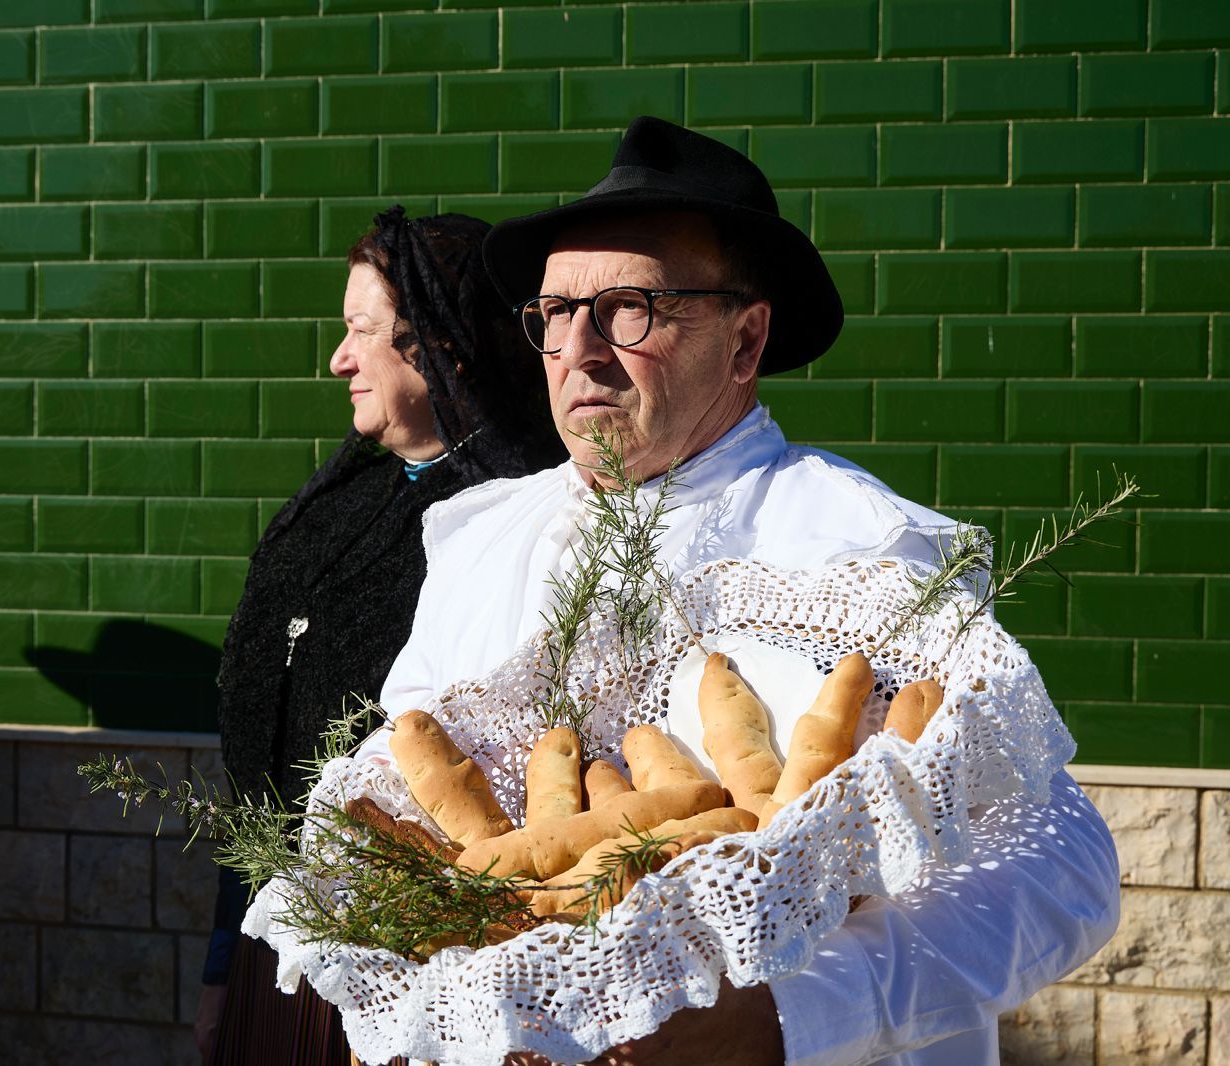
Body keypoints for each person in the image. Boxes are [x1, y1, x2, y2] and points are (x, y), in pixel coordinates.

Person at [365, 117, 1120, 1064]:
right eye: (555, 314)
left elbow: (1062, 871)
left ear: (745, 339)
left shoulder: (860, 548)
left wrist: (780, 1022)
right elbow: (397, 795)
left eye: (630, 308)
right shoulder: (483, 545)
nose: (581, 349)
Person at [198, 207, 564, 1065]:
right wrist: (223, 968)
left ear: (439, 346)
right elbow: (266, 769)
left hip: (413, 974)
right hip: (279, 943)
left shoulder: (518, 533)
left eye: (362, 331)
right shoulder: (342, 508)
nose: (340, 358)